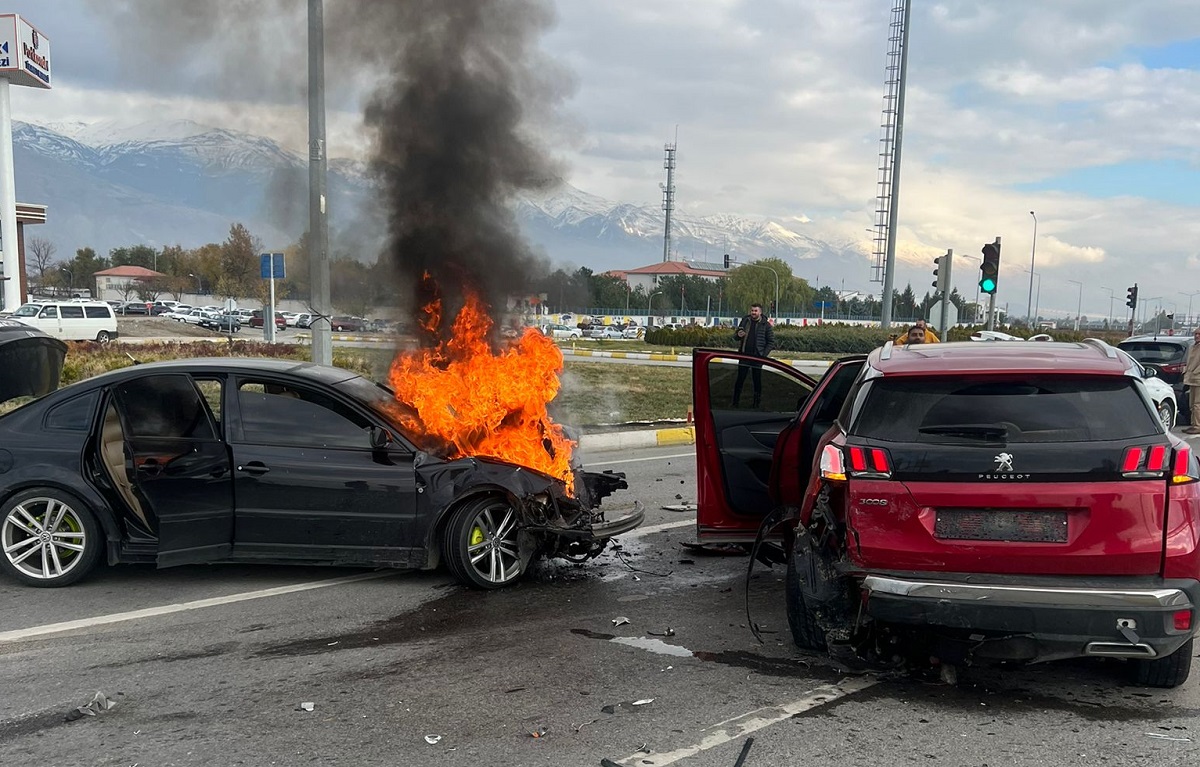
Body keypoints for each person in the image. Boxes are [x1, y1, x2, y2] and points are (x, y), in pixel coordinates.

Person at [732, 303, 775, 408]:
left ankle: (756, 403)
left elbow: (771, 342)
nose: (753, 313)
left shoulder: (766, 325)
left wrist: (763, 355)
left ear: (760, 312)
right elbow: (736, 336)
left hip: (757, 357)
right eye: (752, 310)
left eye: (755, 311)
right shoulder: (745, 321)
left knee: (757, 380)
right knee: (739, 380)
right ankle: (735, 402)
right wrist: (738, 334)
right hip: (744, 356)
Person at [1184, 329, 1200, 433]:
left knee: (1197, 403)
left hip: (1198, 378)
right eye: (1196, 334)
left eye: (1199, 334)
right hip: (1191, 378)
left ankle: (1197, 426)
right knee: (1191, 403)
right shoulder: (1192, 346)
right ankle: (1193, 424)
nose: (1197, 336)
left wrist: (1195, 371)